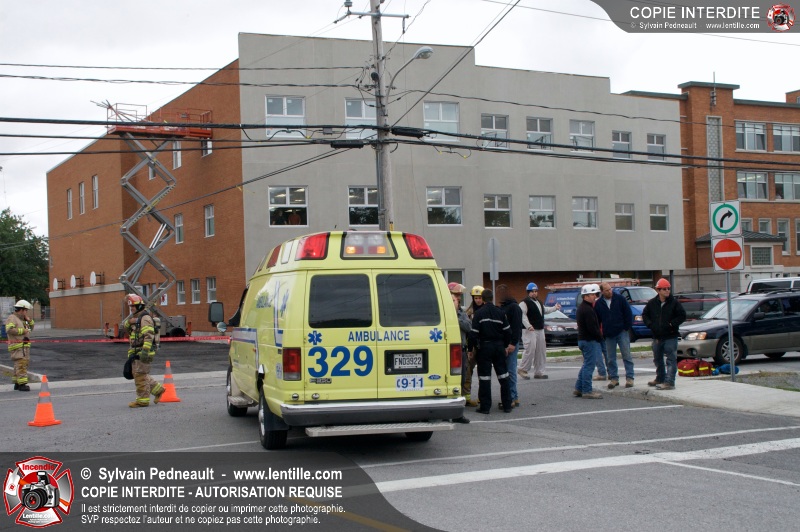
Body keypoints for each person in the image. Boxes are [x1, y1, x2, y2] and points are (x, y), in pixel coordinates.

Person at [468, 289, 513, 414]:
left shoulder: (479, 313)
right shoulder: (500, 312)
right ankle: (507, 405)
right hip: (499, 347)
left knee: (484, 378)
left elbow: (473, 334)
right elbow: (508, 332)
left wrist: (470, 349)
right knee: (504, 377)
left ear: (482, 299)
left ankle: (485, 407)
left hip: (484, 348)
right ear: (492, 298)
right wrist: (505, 346)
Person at [642, 278, 686, 391]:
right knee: (657, 359)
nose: (667, 291)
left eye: (668, 288)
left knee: (671, 359)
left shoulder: (674, 303)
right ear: (658, 290)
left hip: (671, 336)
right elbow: (645, 315)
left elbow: (682, 316)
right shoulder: (652, 303)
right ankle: (660, 378)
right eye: (664, 289)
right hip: (657, 336)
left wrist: (671, 324)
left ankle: (669, 382)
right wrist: (650, 324)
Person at [123, 294, 165, 407]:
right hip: (136, 351)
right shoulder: (136, 318)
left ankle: (142, 401)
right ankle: (158, 390)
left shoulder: (145, 318)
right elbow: (125, 327)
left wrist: (145, 351)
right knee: (140, 374)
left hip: (142, 351)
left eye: (133, 306)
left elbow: (149, 335)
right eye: (130, 307)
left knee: (140, 377)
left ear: (139, 306)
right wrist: (130, 322)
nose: (131, 309)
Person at [594, 282, 635, 389]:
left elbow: (628, 313)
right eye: (607, 290)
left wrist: (626, 327)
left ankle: (630, 378)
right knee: (610, 358)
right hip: (608, 334)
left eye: (610, 289)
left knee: (626, 355)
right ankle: (614, 378)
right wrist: (601, 332)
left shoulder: (620, 299)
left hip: (622, 331)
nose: (609, 291)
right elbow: (597, 320)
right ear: (602, 292)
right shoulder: (599, 304)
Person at [518, 282, 560, 380]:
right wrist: (528, 326)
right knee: (530, 349)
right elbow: (522, 316)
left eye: (536, 291)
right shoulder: (524, 303)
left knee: (541, 351)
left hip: (540, 329)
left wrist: (554, 308)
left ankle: (539, 372)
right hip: (529, 330)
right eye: (532, 291)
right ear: (528, 292)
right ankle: (523, 369)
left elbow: (545, 310)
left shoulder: (539, 302)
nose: (534, 293)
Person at [575, 284, 603, 399]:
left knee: (586, 364)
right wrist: (600, 337)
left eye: (595, 294)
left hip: (583, 340)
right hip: (589, 340)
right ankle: (587, 390)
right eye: (592, 295)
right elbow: (592, 328)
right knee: (589, 366)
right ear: (585, 296)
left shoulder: (582, 308)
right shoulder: (587, 310)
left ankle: (579, 388)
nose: (594, 297)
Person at [497, 284, 522, 408]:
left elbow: (517, 327)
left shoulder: (514, 307)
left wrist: (513, 343)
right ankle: (514, 396)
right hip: (504, 343)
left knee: (510, 371)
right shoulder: (502, 307)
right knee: (507, 371)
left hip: (511, 343)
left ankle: (511, 397)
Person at [448, 282, 471, 424]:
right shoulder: (445, 312)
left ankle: (458, 414)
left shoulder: (461, 313)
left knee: (460, 381)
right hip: (448, 351)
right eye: (456, 295)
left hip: (461, 350)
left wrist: (456, 318)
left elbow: (468, 326)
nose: (459, 298)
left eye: (459, 296)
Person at [462, 285, 485, 407]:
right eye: (476, 298)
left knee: (483, 372)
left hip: (483, 345)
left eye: (480, 298)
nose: (478, 300)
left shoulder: (486, 311)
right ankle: (467, 397)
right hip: (471, 346)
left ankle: (482, 397)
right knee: (467, 372)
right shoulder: (468, 312)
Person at [5, 300, 34, 391]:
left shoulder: (22, 320)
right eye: (26, 310)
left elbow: (30, 329)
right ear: (21, 310)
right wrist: (22, 331)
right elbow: (9, 329)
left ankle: (17, 383)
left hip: (23, 346)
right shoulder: (12, 318)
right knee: (21, 364)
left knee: (19, 364)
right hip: (18, 346)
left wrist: (29, 321)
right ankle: (22, 384)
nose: (26, 312)